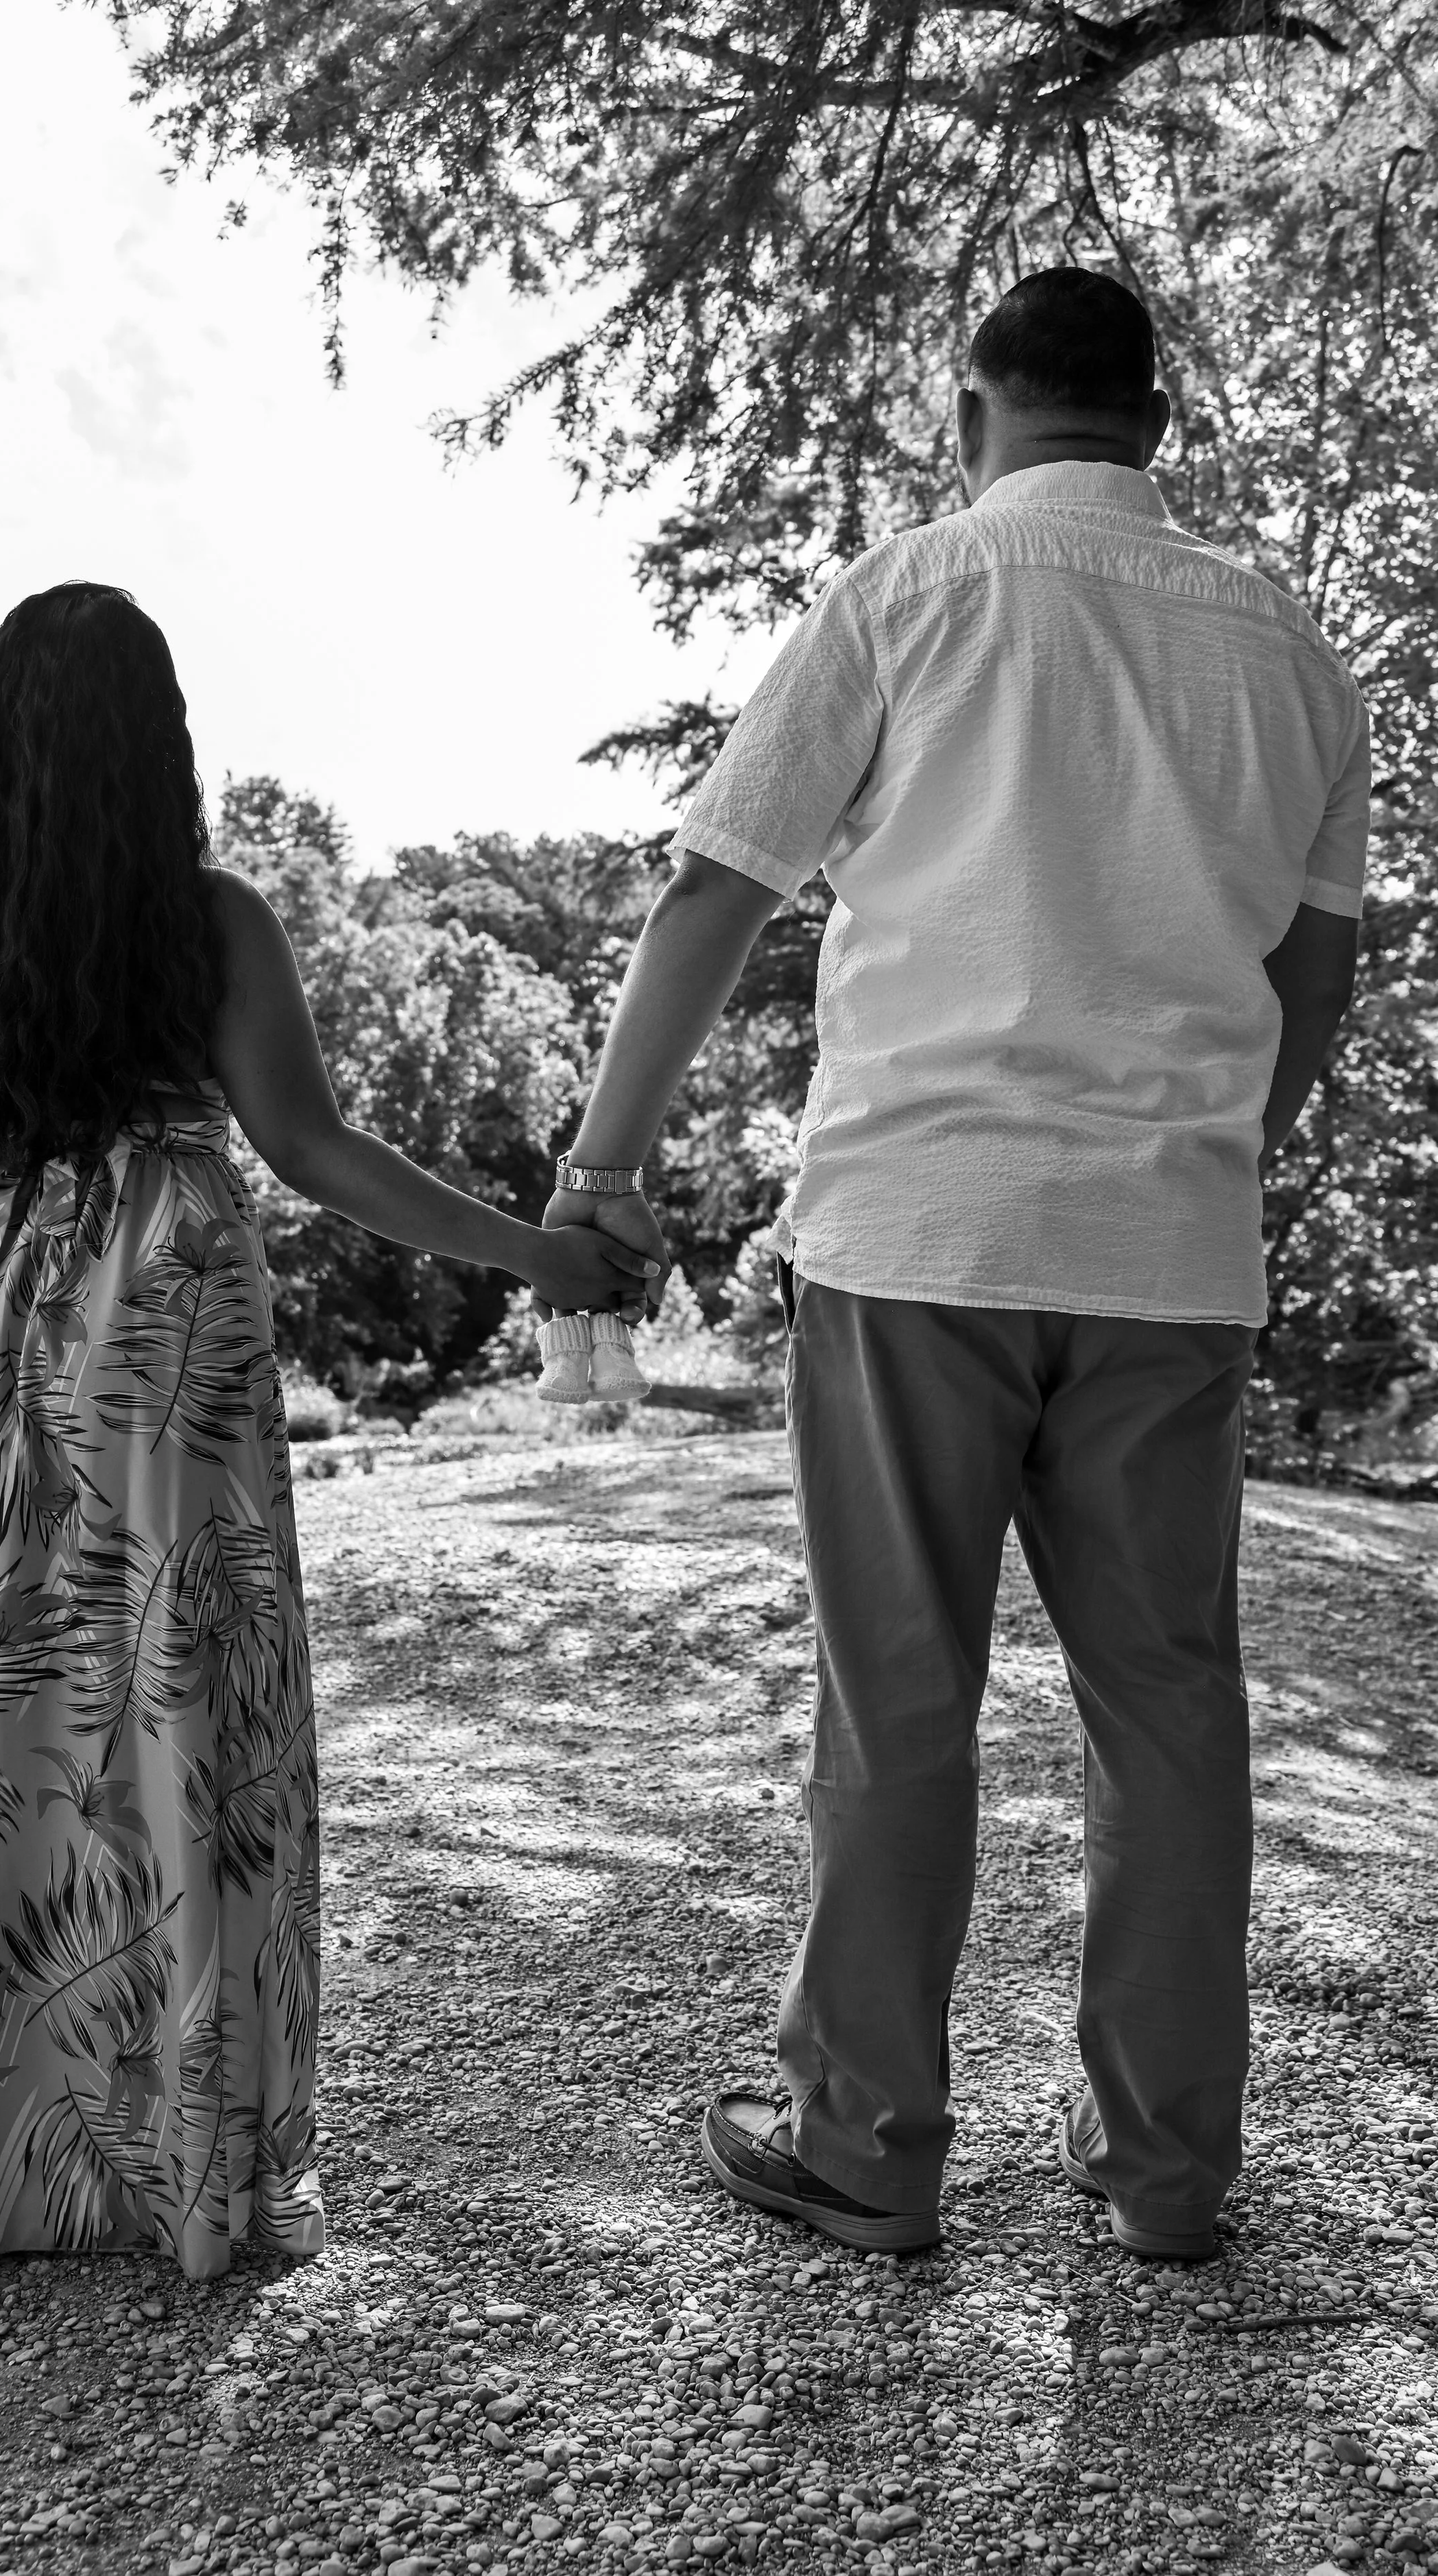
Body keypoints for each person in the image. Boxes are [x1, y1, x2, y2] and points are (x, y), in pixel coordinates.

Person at [542, 269, 1369, 2261]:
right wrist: (1209, 1165)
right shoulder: (1285, 646)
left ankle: (864, 2143)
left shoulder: (906, 590)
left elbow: (715, 885)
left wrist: (602, 1164)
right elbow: (1318, 966)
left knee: (898, 1690)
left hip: (919, 1229)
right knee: (1165, 1702)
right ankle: (1167, 2173)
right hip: (1164, 1251)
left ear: (970, 408)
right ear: (1153, 420)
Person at [0, 581, 654, 2284]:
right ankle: (183, 2166)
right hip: (164, 1312)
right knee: (186, 1706)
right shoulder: (212, 922)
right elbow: (313, 1149)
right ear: (159, 748)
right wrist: (534, 1251)